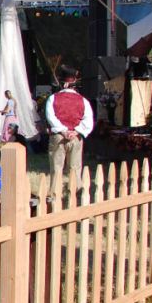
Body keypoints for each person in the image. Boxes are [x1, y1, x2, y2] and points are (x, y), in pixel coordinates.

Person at [45, 65, 94, 201]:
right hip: (75, 137)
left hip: (58, 137)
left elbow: (51, 117)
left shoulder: (53, 98)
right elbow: (88, 120)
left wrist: (63, 130)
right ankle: (76, 195)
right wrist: (76, 131)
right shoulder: (83, 100)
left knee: (56, 167)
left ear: (62, 83)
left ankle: (54, 196)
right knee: (75, 168)